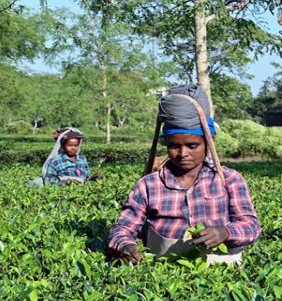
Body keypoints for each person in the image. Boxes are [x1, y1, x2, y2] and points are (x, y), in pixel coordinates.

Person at [108, 85, 261, 265]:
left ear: (208, 143)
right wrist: (125, 245)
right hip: (163, 270)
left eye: (192, 146)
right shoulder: (148, 185)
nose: (183, 153)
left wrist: (225, 232)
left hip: (219, 272)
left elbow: (251, 226)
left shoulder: (229, 180)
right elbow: (123, 227)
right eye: (174, 146)